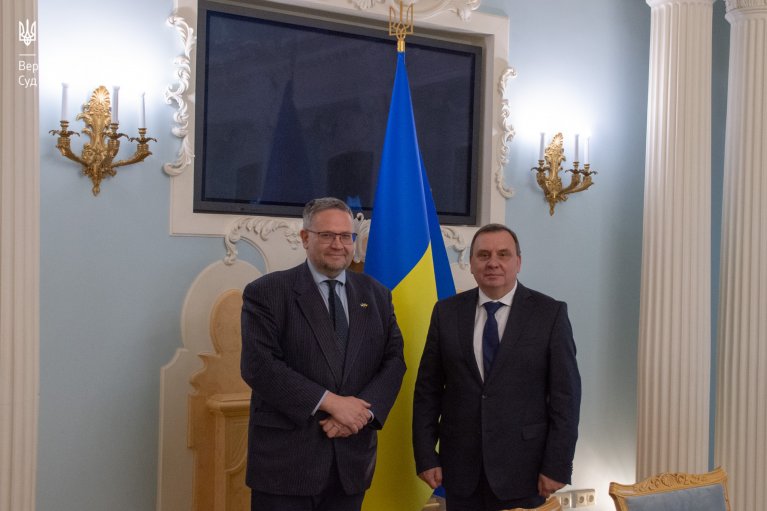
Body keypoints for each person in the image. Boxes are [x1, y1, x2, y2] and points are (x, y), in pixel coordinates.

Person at [241, 197, 406, 511]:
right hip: (285, 466)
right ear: (305, 238)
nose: (338, 245)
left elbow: (394, 361)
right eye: (327, 235)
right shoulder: (267, 292)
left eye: (346, 236)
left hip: (351, 462)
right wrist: (332, 403)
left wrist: (359, 415)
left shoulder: (377, 295)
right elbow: (259, 366)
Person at [412, 223, 581, 510]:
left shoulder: (550, 314)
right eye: (483, 255)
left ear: (518, 262)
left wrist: (557, 465)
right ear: (471, 263)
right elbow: (427, 392)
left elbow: (566, 398)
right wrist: (426, 456)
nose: (493, 263)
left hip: (526, 470)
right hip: (460, 471)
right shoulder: (446, 312)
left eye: (503, 254)